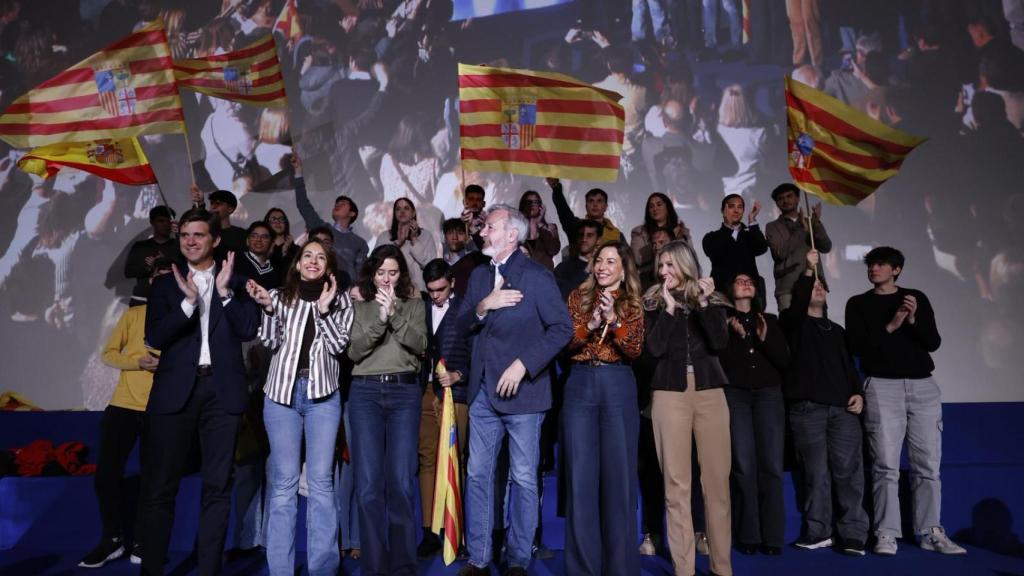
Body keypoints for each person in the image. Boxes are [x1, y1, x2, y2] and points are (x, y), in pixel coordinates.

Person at [140, 208, 260, 575]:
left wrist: (223, 294)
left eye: (199, 235)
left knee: (217, 487)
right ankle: (152, 569)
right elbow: (155, 337)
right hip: (175, 393)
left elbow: (248, 330)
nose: (190, 242)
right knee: (160, 487)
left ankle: (209, 569)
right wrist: (188, 302)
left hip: (221, 393)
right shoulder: (164, 285)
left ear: (216, 239)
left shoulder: (237, 282)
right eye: (185, 236)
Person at [456, 204, 572, 576]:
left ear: (511, 234)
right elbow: (461, 324)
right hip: (483, 395)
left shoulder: (537, 277)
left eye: (489, 227)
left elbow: (561, 329)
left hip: (525, 397)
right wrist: (483, 306)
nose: (482, 232)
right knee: (477, 475)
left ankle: (519, 558)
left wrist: (524, 365)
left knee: (522, 478)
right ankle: (478, 556)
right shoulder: (477, 276)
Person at [844, 246, 967, 556]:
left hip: (923, 386)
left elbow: (933, 342)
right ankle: (885, 533)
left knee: (928, 464)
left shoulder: (916, 298)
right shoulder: (858, 304)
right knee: (885, 464)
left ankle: (930, 531)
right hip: (882, 387)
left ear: (896, 270)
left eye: (881, 264)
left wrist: (912, 320)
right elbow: (859, 348)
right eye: (871, 264)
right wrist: (892, 325)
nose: (874, 268)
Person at [244, 239, 353, 576]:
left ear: (328, 267)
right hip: (281, 398)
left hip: (323, 398)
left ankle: (322, 568)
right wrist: (268, 309)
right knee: (283, 484)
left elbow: (338, 346)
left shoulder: (341, 301)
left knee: (321, 485)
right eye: (308, 255)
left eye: (321, 257)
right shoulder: (278, 297)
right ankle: (281, 569)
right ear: (297, 263)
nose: (313, 261)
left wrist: (323, 312)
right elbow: (271, 342)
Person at [642, 239, 732, 576]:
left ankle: (723, 568)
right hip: (669, 394)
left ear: (685, 264)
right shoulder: (651, 301)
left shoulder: (711, 297)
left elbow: (720, 342)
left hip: (710, 391)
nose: (664, 272)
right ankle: (685, 570)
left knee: (716, 485)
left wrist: (705, 304)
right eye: (660, 266)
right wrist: (667, 310)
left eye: (670, 265)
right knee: (676, 486)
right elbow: (653, 349)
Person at [78, 260, 172, 569]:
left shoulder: (182, 318)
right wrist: (137, 363)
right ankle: (112, 539)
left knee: (153, 479)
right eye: (157, 277)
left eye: (168, 278)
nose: (161, 282)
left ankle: (144, 539)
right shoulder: (133, 315)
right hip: (123, 406)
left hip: (161, 409)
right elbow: (108, 353)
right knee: (106, 474)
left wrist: (165, 364)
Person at [562, 241, 645, 575]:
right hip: (580, 384)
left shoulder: (633, 302)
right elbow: (565, 342)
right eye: (599, 260)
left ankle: (620, 568)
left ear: (623, 268)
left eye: (611, 261)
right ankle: (583, 568)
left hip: (618, 386)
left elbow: (635, 348)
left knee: (619, 479)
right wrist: (592, 326)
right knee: (581, 481)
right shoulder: (577, 298)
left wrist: (615, 320)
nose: (603, 266)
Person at [347, 244, 428, 575]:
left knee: (401, 482)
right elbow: (354, 350)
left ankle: (404, 566)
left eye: (392, 273)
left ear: (401, 274)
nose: (386, 279)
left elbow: (420, 345)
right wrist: (380, 318)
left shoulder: (414, 304)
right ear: (371, 273)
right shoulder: (360, 305)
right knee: (368, 486)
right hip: (365, 393)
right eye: (380, 272)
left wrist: (394, 312)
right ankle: (375, 566)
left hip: (404, 393)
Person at [780, 249, 868, 556]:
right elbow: (795, 309)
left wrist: (858, 392)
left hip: (843, 411)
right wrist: (808, 269)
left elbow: (849, 368)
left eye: (821, 285)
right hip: (807, 410)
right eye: (812, 286)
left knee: (849, 473)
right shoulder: (793, 325)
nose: (817, 287)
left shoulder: (838, 331)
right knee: (815, 474)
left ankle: (854, 534)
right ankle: (818, 531)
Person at [719, 272, 789, 556]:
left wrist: (763, 339)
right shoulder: (722, 321)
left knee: (771, 465)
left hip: (768, 395)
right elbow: (719, 363)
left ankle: (773, 537)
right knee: (743, 465)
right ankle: (749, 534)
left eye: (749, 280)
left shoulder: (769, 320)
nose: (745, 283)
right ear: (730, 289)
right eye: (738, 280)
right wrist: (730, 335)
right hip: (736, 395)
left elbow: (784, 361)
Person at [415, 259, 470, 557]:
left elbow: (477, 353)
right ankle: (429, 530)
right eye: (431, 290)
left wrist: (460, 374)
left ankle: (456, 531)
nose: (435, 295)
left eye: (441, 289)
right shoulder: (420, 309)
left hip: (456, 393)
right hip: (423, 391)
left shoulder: (465, 309)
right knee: (426, 459)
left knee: (455, 460)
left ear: (452, 283)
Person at [292, 154, 368, 286]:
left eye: (343, 203)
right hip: (318, 285)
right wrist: (298, 172)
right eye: (336, 203)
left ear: (352, 213)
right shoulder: (322, 228)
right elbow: (303, 205)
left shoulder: (360, 243)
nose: (337, 204)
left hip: (345, 290)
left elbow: (360, 273)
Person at [765, 183, 832, 311]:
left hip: (815, 285)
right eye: (780, 198)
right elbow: (780, 253)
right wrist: (801, 228)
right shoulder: (772, 226)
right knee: (791, 328)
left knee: (817, 327)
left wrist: (816, 223)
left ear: (798, 198)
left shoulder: (811, 222)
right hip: (788, 287)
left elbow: (826, 247)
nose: (785, 200)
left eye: (789, 196)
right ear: (777, 203)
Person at [702, 193, 768, 308]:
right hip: (722, 294)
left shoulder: (749, 235)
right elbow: (713, 251)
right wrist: (729, 226)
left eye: (740, 207)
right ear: (723, 211)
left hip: (749, 295)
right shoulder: (711, 237)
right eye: (731, 206)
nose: (736, 210)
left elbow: (761, 248)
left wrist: (752, 221)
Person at [374, 197, 438, 292]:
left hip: (419, 293)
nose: (402, 211)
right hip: (392, 292)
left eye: (406, 208)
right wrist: (398, 244)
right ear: (395, 214)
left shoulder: (426, 236)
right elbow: (376, 265)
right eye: (398, 209)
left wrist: (414, 240)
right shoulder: (384, 237)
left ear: (413, 213)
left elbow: (431, 266)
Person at [717, 85, 767, 197]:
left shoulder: (716, 133)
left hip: (726, 193)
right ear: (746, 105)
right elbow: (765, 165)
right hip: (752, 193)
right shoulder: (758, 135)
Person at [123, 206, 180, 305]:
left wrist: (166, 262)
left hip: (172, 298)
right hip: (143, 298)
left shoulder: (179, 245)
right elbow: (128, 272)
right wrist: (149, 267)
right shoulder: (140, 247)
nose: (166, 225)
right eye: (161, 221)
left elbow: (187, 268)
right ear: (152, 222)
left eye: (169, 222)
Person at [631, 192, 689, 282]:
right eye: (651, 206)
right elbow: (637, 259)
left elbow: (689, 258)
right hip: (649, 280)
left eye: (659, 204)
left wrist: (679, 238)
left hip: (677, 278)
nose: (655, 209)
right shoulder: (639, 232)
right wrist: (657, 245)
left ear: (667, 207)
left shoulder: (680, 231)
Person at [547, 177, 623, 245]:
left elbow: (626, 257)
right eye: (591, 201)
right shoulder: (577, 226)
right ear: (586, 206)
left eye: (599, 201)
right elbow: (563, 210)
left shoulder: (617, 234)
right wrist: (556, 188)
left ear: (606, 207)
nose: (595, 204)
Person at [554, 220, 602, 300]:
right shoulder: (563, 267)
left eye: (589, 235)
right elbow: (558, 295)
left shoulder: (605, 268)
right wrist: (586, 271)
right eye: (581, 235)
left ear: (598, 240)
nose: (584, 239)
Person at [518, 190, 560, 271]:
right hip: (523, 274)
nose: (532, 205)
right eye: (528, 202)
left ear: (540, 206)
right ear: (523, 205)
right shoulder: (516, 229)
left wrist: (539, 224)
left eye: (535, 202)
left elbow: (553, 250)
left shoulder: (550, 227)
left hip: (544, 275)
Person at [234, 221, 282, 290]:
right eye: (254, 236)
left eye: (264, 237)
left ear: (272, 243)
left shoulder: (276, 271)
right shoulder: (236, 261)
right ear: (247, 241)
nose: (259, 240)